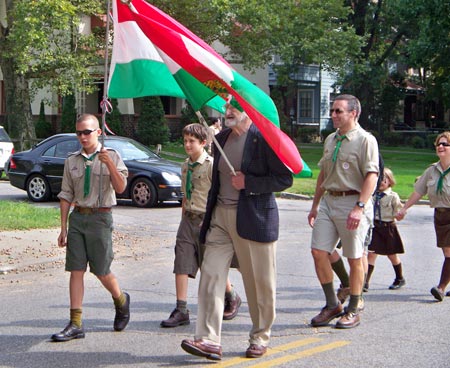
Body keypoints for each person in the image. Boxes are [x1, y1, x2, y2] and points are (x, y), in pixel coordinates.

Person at [180, 98, 293, 360]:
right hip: (220, 217)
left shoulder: (262, 138)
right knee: (210, 274)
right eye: (226, 107)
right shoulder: (222, 138)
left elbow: (284, 178)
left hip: (253, 218)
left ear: (249, 111)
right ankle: (208, 340)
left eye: (234, 108)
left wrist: (249, 182)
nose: (228, 112)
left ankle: (260, 336)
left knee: (259, 283)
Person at [51, 114, 130, 342]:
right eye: (79, 133)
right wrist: (63, 227)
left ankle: (121, 300)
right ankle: (75, 323)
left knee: (101, 270)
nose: (83, 137)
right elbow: (66, 194)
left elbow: (122, 187)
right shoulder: (71, 161)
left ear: (98, 132)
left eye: (87, 132)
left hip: (100, 219)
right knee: (76, 270)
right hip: (78, 219)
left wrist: (109, 166)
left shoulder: (111, 156)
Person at [307, 94, 379, 329]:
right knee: (319, 251)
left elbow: (372, 175)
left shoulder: (365, 140)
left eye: (339, 111)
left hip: (353, 202)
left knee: (354, 257)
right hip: (330, 201)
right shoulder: (330, 139)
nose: (334, 115)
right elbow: (323, 174)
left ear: (353, 113)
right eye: (333, 110)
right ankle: (332, 305)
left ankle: (353, 307)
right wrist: (315, 204)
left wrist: (359, 207)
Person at [160, 123, 241, 328]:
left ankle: (231, 296)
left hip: (208, 220)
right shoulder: (185, 165)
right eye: (185, 140)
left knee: (209, 265)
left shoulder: (212, 165)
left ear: (203, 143)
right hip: (188, 219)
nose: (187, 145)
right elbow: (186, 196)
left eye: (191, 141)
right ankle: (181, 309)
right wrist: (182, 218)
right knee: (181, 262)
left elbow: (219, 194)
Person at [396, 132, 450, 302]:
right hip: (440, 216)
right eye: (438, 144)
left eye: (445, 144)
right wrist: (404, 208)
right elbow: (419, 191)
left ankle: (441, 288)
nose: (440, 147)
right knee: (446, 251)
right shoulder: (431, 171)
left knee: (449, 252)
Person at [365, 168, 406, 291]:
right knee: (371, 254)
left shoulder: (393, 197)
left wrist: (400, 215)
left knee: (392, 255)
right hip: (375, 227)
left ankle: (399, 278)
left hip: (388, 228)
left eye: (384, 179)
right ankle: (365, 282)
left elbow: (398, 212)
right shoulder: (371, 195)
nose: (381, 182)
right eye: (378, 179)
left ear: (390, 181)